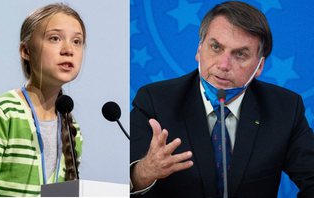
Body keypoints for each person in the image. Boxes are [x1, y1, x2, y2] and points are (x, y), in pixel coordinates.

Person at [130, 1, 314, 197]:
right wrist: (144, 172)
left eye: (240, 54)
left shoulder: (285, 108)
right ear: (199, 50)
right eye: (216, 47)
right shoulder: (155, 101)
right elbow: (120, 180)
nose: (224, 65)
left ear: (259, 66)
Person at [0, 3, 85, 196]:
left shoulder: (72, 129)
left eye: (77, 41)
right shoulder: (3, 112)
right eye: (54, 38)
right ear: (26, 51)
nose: (68, 49)